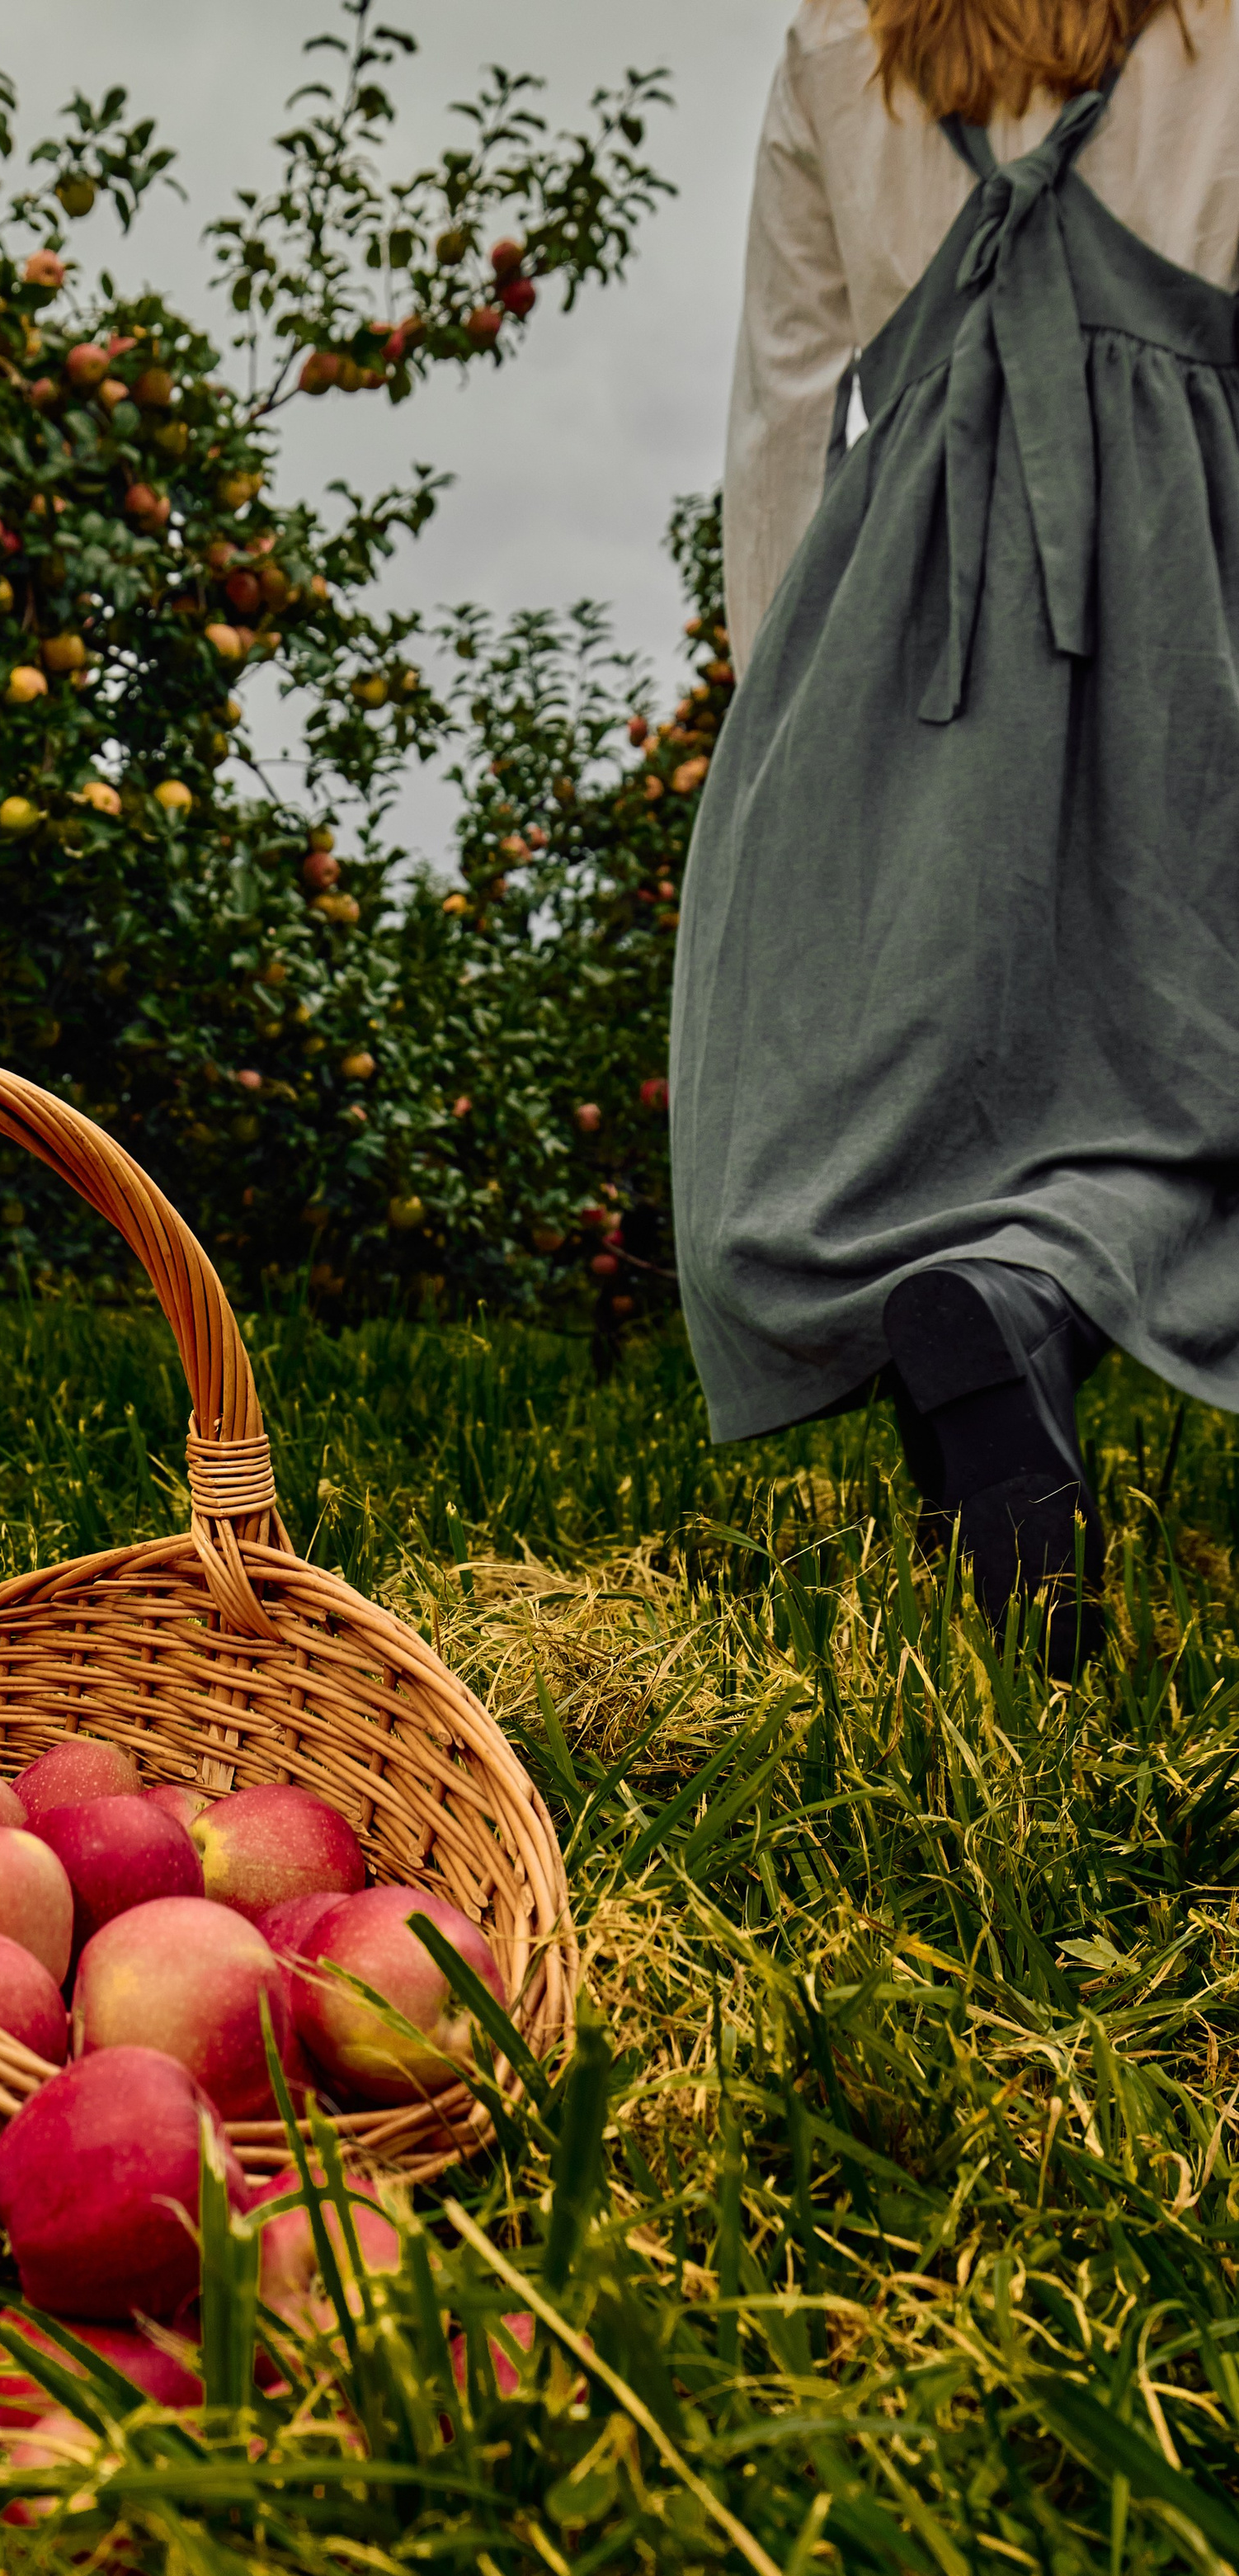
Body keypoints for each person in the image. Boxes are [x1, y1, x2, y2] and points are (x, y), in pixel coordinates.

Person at [670, 0, 1239, 1671]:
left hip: (898, 633)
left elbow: (783, 401)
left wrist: (773, 714)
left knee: (948, 1057)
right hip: (1192, 598)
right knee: (1197, 1056)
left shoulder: (836, 44)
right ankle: (1031, 1293)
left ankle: (987, 1311)